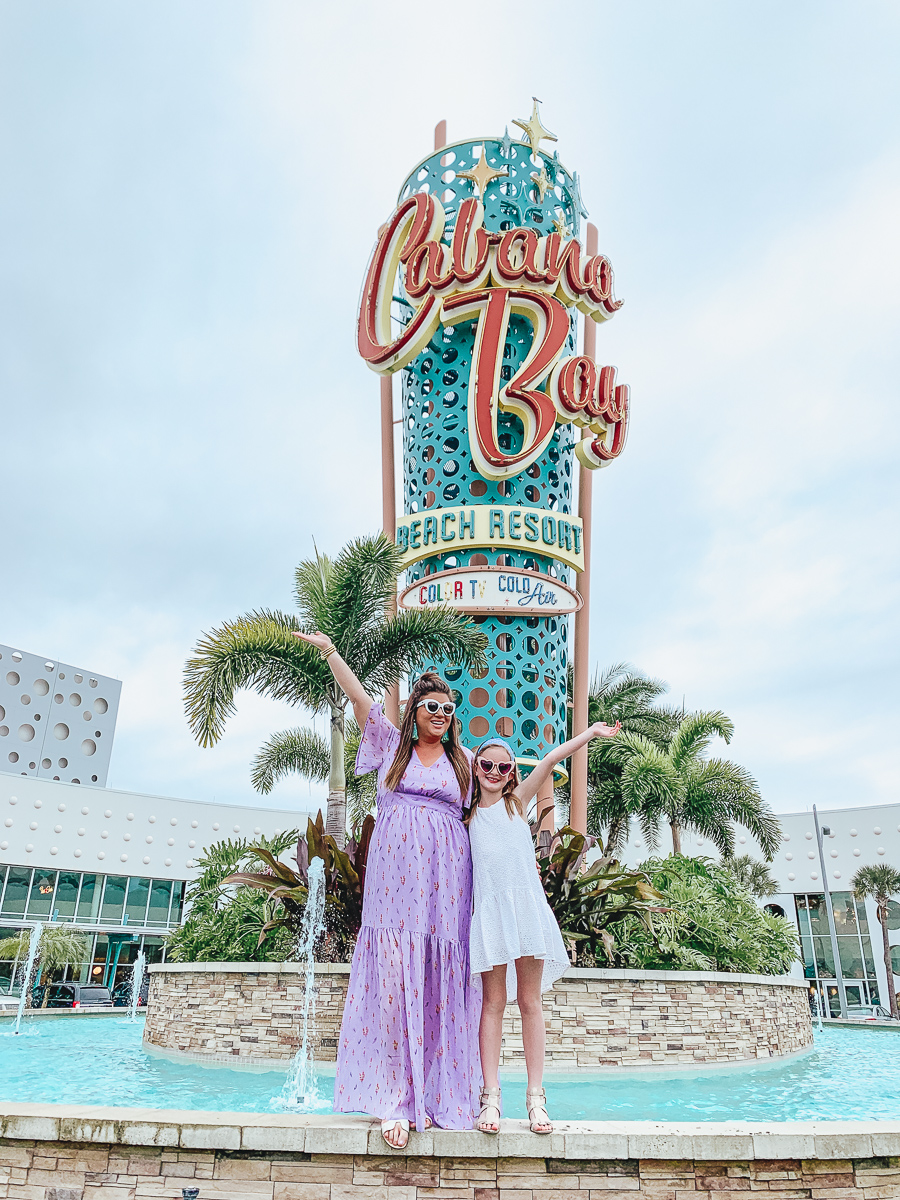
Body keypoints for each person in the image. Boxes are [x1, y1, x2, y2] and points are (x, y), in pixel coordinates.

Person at [293, 631, 480, 1148]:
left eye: (448, 707)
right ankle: (393, 1097)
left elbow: (497, 804)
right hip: (394, 884)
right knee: (397, 979)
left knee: (439, 979)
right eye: (431, 706)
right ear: (416, 710)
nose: (440, 713)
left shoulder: (463, 762)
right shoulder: (390, 747)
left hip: (446, 883)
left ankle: (441, 1094)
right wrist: (332, 651)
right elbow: (358, 699)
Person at [466, 722, 620, 1135]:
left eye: (504, 766)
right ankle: (490, 1099)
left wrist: (590, 734)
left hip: (526, 913)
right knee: (492, 1003)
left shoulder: (517, 802)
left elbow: (552, 757)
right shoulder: (466, 817)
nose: (495, 772)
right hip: (491, 916)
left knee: (529, 1002)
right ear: (476, 767)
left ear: (512, 773)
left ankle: (536, 1099)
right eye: (488, 764)